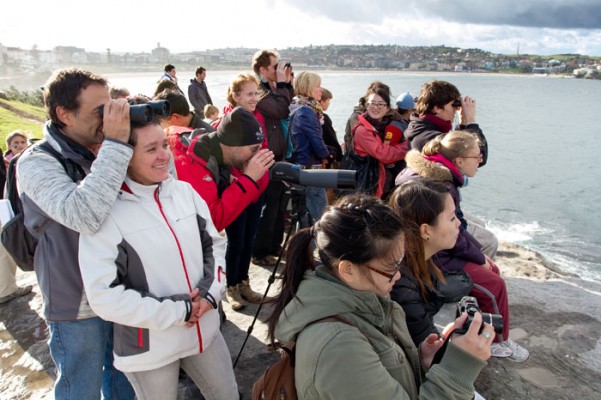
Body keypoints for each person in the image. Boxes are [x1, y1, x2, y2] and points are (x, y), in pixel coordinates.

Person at [267, 193, 492, 400]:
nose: (399, 275)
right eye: (392, 267)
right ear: (348, 269)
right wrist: (458, 367)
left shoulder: (365, 297)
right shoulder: (338, 348)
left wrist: (418, 362)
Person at [77, 120, 239, 400]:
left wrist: (210, 295)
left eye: (164, 144)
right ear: (124, 158)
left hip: (204, 328)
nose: (165, 155)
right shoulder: (105, 213)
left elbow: (214, 244)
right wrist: (179, 311)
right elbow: (103, 295)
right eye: (151, 149)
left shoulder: (184, 193)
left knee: (227, 394)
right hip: (149, 348)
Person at [16, 68, 134, 398]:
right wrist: (115, 144)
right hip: (76, 303)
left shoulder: (98, 148)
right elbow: (84, 214)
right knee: (78, 389)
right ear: (64, 114)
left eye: (111, 107)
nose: (108, 118)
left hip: (120, 291)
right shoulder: (35, 162)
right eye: (100, 111)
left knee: (125, 382)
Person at [395, 131, 529, 361]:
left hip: (433, 251)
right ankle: (497, 342)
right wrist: (478, 258)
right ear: (459, 160)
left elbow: (456, 227)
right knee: (494, 283)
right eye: (477, 156)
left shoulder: (431, 175)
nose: (480, 161)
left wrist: (478, 256)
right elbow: (454, 235)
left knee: (490, 268)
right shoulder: (441, 187)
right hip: (439, 255)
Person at [173, 107, 274, 311]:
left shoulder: (215, 153)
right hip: (185, 261)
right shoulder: (191, 163)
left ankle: (239, 286)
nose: (256, 155)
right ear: (232, 145)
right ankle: (230, 290)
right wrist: (247, 180)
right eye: (253, 149)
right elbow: (213, 221)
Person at [404, 80, 496, 257]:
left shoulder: (423, 127)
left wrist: (462, 125)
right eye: (453, 105)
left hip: (435, 203)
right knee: (490, 242)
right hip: (433, 210)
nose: (456, 109)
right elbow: (478, 157)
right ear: (437, 108)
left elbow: (461, 148)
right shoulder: (428, 136)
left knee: (480, 225)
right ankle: (471, 276)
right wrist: (470, 122)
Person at [211, 74, 270, 311]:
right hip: (237, 190)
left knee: (249, 239)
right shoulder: (224, 122)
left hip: (256, 189)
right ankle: (231, 287)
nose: (254, 98)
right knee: (236, 242)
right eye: (249, 94)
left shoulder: (258, 118)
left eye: (256, 93)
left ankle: (245, 284)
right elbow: (219, 158)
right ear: (235, 96)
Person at [388, 179, 459, 346]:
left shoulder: (416, 261)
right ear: (426, 230)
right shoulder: (401, 285)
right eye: (452, 218)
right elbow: (427, 351)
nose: (458, 223)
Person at [250, 49, 294, 267]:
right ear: (262, 69)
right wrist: (284, 85)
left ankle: (274, 246)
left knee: (277, 206)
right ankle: (259, 252)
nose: (278, 70)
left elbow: (287, 104)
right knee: (267, 206)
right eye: (274, 67)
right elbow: (281, 110)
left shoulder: (271, 88)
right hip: (264, 157)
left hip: (277, 155)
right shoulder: (257, 91)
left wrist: (285, 84)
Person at [351, 83, 408, 199]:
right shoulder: (362, 130)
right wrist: (408, 146)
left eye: (380, 104)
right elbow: (384, 154)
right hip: (369, 185)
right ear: (366, 105)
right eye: (372, 103)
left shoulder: (389, 125)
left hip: (387, 182)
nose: (375, 107)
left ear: (387, 108)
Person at [288, 71, 331, 221]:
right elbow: (316, 141)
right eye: (318, 86)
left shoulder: (298, 107)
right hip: (311, 167)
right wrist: (328, 155)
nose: (321, 90)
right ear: (308, 88)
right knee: (319, 212)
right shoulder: (306, 111)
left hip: (302, 164)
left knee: (307, 209)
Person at [319, 88, 342, 166]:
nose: (329, 103)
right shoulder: (323, 117)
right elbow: (331, 139)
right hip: (326, 157)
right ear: (322, 102)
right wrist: (339, 157)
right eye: (328, 101)